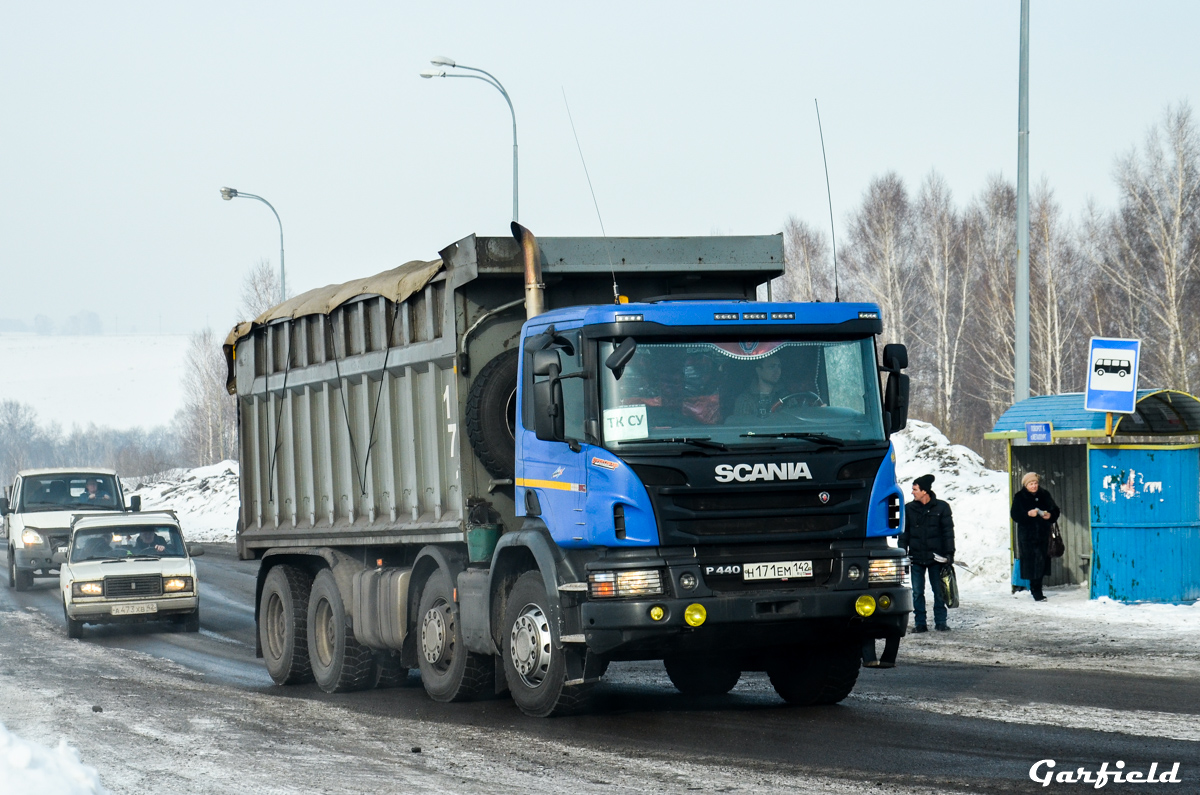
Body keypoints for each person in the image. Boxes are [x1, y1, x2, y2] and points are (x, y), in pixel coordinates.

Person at [899, 474, 955, 632]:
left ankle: (941, 622)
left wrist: (949, 554)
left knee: (939, 591)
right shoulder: (908, 509)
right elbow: (904, 534)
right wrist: (902, 554)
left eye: (915, 489)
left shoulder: (942, 507)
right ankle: (920, 624)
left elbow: (948, 533)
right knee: (917, 592)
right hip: (915, 558)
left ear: (924, 491)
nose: (912, 492)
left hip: (936, 558)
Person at [1010, 471, 1060, 602]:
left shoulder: (1044, 494)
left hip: (1043, 535)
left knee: (1041, 563)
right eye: (1031, 484)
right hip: (1027, 537)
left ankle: (1037, 589)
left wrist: (1050, 515)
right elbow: (1015, 515)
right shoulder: (1020, 497)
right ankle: (1036, 591)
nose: (1034, 486)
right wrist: (1027, 514)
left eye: (1035, 483)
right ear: (1026, 485)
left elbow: (1055, 510)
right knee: (1032, 564)